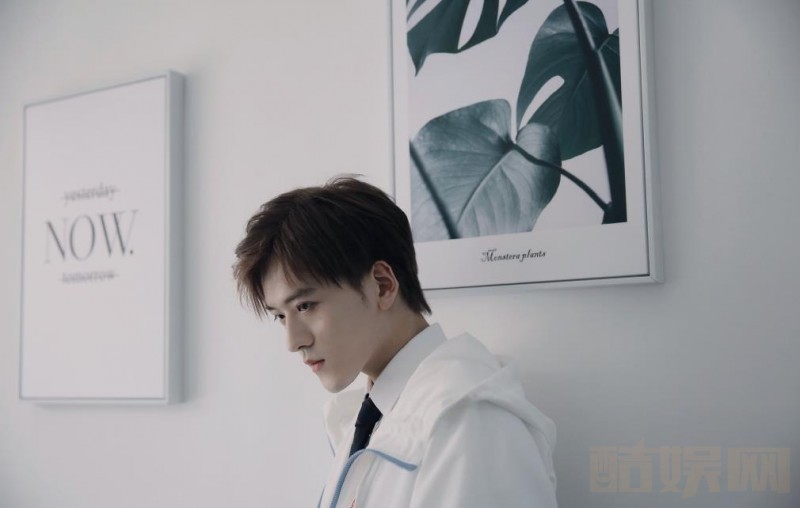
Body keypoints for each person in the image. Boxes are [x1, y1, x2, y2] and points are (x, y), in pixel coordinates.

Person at [233, 176, 558, 508]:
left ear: (383, 285)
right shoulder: (369, 421)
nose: (292, 341)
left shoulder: (469, 421)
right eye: (280, 315)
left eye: (305, 306)